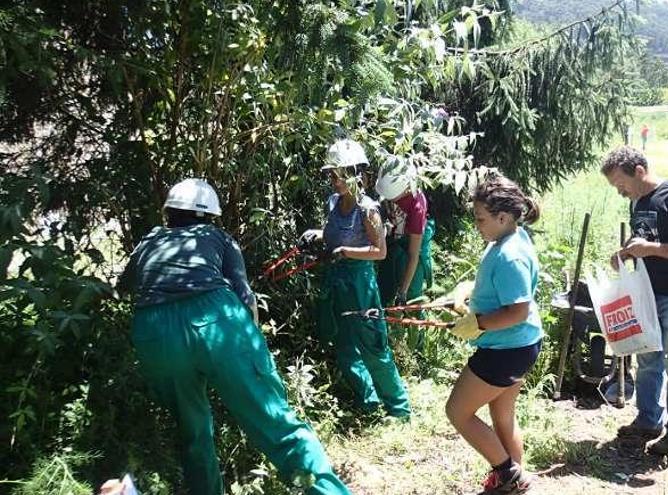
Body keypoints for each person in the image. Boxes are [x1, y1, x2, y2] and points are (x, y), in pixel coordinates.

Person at [118, 179, 350, 495]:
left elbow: (122, 288)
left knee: (193, 431)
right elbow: (245, 296)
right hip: (216, 321)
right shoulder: (218, 237)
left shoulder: (149, 241)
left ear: (168, 212)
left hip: (154, 331)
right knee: (274, 419)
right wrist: (255, 354)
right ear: (210, 216)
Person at [601, 146, 668, 456]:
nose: (620, 192)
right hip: (647, 294)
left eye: (621, 184)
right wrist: (624, 254)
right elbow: (643, 241)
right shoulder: (638, 202)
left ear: (639, 170)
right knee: (647, 360)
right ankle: (648, 420)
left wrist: (651, 248)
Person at [444, 173, 543, 494]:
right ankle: (511, 481)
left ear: (503, 217)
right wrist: (470, 292)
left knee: (457, 411)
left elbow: (518, 310)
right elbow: (501, 290)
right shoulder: (509, 239)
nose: (477, 225)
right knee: (503, 416)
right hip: (520, 346)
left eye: (480, 219)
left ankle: (509, 475)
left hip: (506, 350)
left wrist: (478, 323)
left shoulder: (509, 254)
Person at [301, 139, 411, 418]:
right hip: (336, 281)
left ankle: (398, 408)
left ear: (358, 173)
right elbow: (332, 234)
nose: (336, 181)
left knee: (373, 345)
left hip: (360, 285)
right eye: (332, 174)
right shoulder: (333, 202)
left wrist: (345, 252)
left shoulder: (368, 209)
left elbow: (380, 252)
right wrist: (316, 235)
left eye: (342, 174)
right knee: (344, 343)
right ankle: (369, 403)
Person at [375, 160, 435, 349]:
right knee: (385, 287)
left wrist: (403, 291)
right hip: (394, 244)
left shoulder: (417, 207)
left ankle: (417, 345)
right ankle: (386, 336)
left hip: (412, 249)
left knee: (412, 297)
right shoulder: (389, 189)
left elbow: (413, 255)